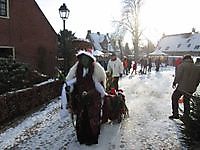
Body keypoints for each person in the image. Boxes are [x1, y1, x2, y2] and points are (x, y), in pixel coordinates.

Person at [65, 49, 106, 145]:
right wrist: (69, 89)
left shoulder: (96, 70)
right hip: (80, 100)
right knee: (81, 118)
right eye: (82, 59)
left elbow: (100, 87)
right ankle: (82, 137)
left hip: (93, 101)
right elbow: (72, 84)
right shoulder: (76, 70)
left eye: (86, 59)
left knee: (92, 119)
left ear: (90, 60)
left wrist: (90, 93)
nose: (84, 61)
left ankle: (92, 138)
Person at [169, 54, 200, 119]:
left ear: (184, 59)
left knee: (174, 97)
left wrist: (175, 82)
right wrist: (194, 86)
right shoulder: (197, 67)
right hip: (191, 88)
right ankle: (186, 115)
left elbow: (178, 76)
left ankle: (175, 114)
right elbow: (198, 80)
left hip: (182, 88)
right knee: (186, 100)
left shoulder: (181, 66)